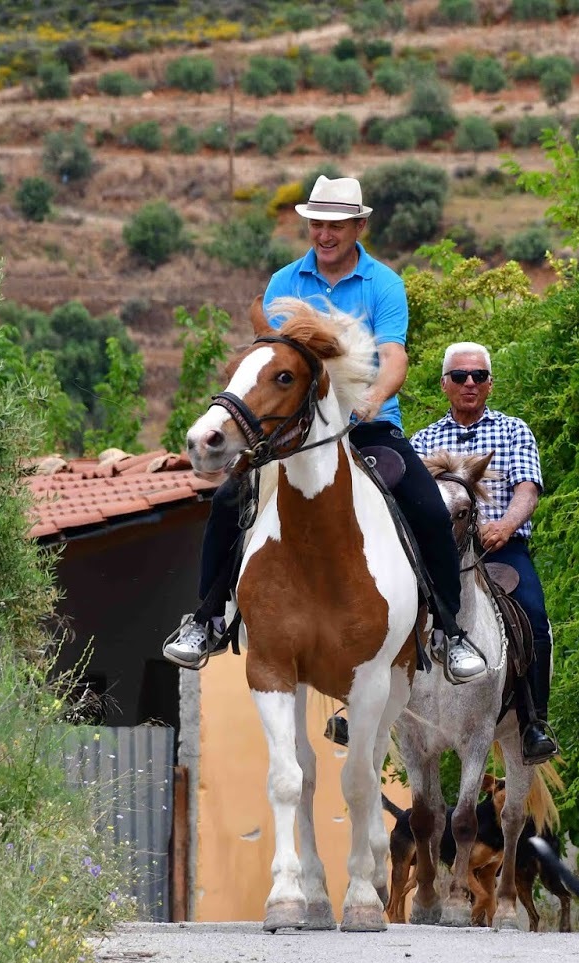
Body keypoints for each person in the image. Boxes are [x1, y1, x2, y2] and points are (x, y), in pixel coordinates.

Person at [163, 175, 488, 685]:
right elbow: (269, 362)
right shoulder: (284, 283)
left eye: (336, 224)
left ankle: (450, 632)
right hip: (293, 437)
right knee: (230, 501)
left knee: (426, 505)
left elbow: (395, 358)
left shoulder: (383, 284)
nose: (325, 233)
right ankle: (205, 620)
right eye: (317, 223)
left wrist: (371, 402)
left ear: (359, 225)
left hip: (368, 427)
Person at [411, 341, 559, 764]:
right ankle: (370, 711)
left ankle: (534, 723)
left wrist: (507, 525)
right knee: (390, 609)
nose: (470, 383)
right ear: (445, 385)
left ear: (490, 384)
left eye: (478, 376)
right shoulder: (422, 441)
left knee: (533, 615)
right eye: (460, 376)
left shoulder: (515, 431)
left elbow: (528, 489)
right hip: (439, 559)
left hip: (501, 551)